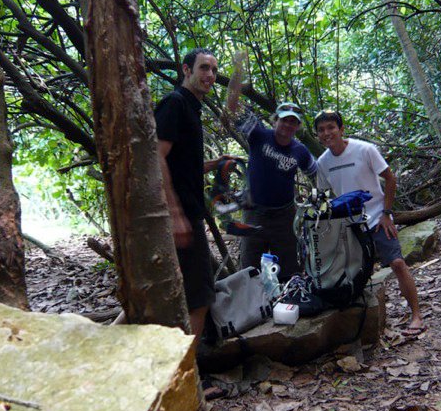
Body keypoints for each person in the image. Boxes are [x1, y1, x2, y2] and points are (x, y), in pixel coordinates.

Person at [314, 109, 425, 335]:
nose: (326, 133)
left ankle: (416, 315)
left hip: (376, 217)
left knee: (397, 263)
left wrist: (386, 213)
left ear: (341, 129)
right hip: (349, 224)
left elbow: (390, 178)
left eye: (331, 127)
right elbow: (325, 197)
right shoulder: (323, 162)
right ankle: (362, 323)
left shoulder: (364, 149)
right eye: (321, 130)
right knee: (353, 274)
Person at [225, 52, 317, 280]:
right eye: (284, 119)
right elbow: (232, 106)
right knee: (249, 269)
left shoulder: (300, 151)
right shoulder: (259, 134)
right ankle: (252, 302)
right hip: (254, 213)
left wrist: (317, 202)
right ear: (275, 120)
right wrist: (238, 70)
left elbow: (316, 175)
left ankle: (288, 299)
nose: (288, 125)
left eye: (293, 122)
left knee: (289, 269)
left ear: (298, 127)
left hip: (284, 217)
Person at [156, 48, 226, 338]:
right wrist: (175, 214)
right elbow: (156, 157)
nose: (210, 75)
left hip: (186, 212)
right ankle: (189, 365)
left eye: (214, 70)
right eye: (204, 68)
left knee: (160, 292)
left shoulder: (191, 107)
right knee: (200, 297)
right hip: (179, 214)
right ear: (186, 70)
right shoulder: (175, 103)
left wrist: (214, 164)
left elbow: (180, 164)